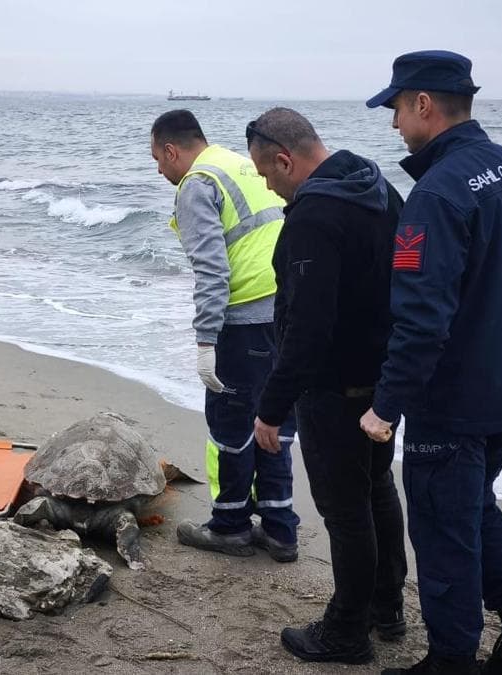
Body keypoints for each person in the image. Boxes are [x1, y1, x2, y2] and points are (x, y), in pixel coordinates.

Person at [358, 51, 502, 675]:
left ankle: (451, 660)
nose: (393, 123)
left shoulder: (438, 193)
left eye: (396, 107)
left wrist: (385, 405)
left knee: (444, 528)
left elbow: (421, 317)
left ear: (424, 104)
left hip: (453, 400)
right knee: (472, 508)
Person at [246, 107, 409, 664]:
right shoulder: (375, 184)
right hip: (381, 380)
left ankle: (346, 631)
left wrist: (271, 407)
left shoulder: (314, 217)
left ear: (285, 159)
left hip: (334, 388)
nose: (269, 187)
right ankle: (387, 607)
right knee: (376, 490)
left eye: (267, 176)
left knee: (345, 511)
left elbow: (306, 327)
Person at [149, 109, 300, 561]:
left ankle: (231, 525)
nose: (160, 171)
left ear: (173, 150)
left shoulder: (198, 183)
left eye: (158, 160)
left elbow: (212, 270)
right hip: (287, 312)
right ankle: (280, 530)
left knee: (230, 425)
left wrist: (205, 340)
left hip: (244, 320)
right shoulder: (239, 164)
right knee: (274, 422)